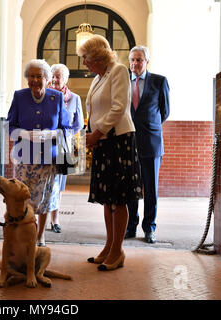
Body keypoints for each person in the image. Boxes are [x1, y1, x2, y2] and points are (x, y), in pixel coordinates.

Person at [77, 35, 143, 271]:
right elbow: (93, 110)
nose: (84, 63)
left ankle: (118, 251)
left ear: (97, 56)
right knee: (107, 198)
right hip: (103, 142)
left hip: (119, 140)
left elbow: (119, 107)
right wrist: (90, 133)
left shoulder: (118, 71)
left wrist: (97, 133)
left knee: (119, 198)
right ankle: (108, 246)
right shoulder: (98, 77)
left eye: (85, 58)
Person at [7, 59, 71, 247]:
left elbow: (66, 128)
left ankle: (40, 235)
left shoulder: (56, 98)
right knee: (23, 199)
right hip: (24, 158)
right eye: (31, 76)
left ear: (47, 78)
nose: (35, 80)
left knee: (45, 199)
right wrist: (25, 134)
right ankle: (23, 234)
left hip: (48, 159)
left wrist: (50, 134)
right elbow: (10, 127)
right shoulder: (19, 96)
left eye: (39, 76)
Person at [125, 46, 170, 244]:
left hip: (151, 143)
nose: (135, 63)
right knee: (130, 187)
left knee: (150, 189)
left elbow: (165, 111)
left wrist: (150, 126)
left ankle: (149, 228)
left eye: (139, 60)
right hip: (127, 142)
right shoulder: (123, 81)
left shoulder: (159, 81)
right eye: (132, 60)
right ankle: (130, 226)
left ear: (147, 62)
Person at [48, 64, 84, 233]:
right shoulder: (44, 95)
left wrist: (66, 135)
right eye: (53, 76)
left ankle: (55, 220)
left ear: (65, 80)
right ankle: (38, 217)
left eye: (59, 76)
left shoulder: (74, 99)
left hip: (63, 145)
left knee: (59, 184)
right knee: (43, 180)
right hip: (45, 143)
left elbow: (78, 124)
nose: (55, 79)